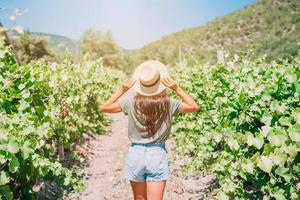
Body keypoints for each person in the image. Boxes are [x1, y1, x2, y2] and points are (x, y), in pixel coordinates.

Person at [100, 60, 199, 200]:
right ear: (160, 83)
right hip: (157, 154)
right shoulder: (169, 103)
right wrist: (177, 88)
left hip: (136, 153)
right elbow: (194, 107)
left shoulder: (130, 102)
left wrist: (122, 91)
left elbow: (104, 107)